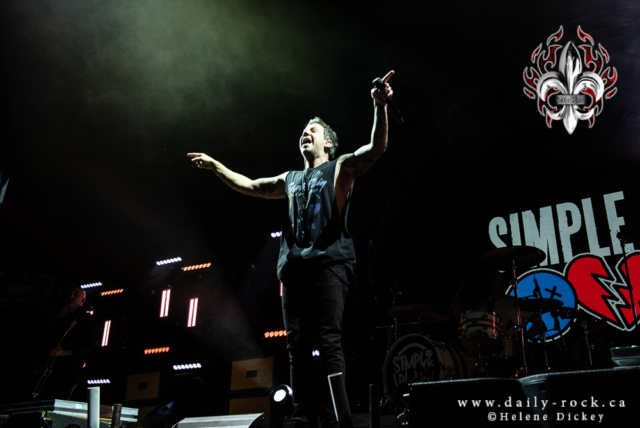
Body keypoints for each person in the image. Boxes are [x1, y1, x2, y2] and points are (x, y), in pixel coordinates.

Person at [188, 71, 395, 428]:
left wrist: (379, 106)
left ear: (328, 144)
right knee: (296, 346)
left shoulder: (340, 167)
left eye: (313, 130)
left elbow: (376, 149)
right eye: (303, 130)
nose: (305, 133)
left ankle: (337, 418)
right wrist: (216, 166)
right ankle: (301, 417)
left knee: (329, 341)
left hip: (330, 267)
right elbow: (251, 186)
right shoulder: (290, 178)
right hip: (295, 272)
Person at [34, 286, 97, 400]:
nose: (71, 296)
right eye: (71, 293)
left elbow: (89, 343)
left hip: (69, 372)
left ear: (83, 300)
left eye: (75, 294)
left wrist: (65, 353)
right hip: (53, 371)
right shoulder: (61, 321)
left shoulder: (86, 318)